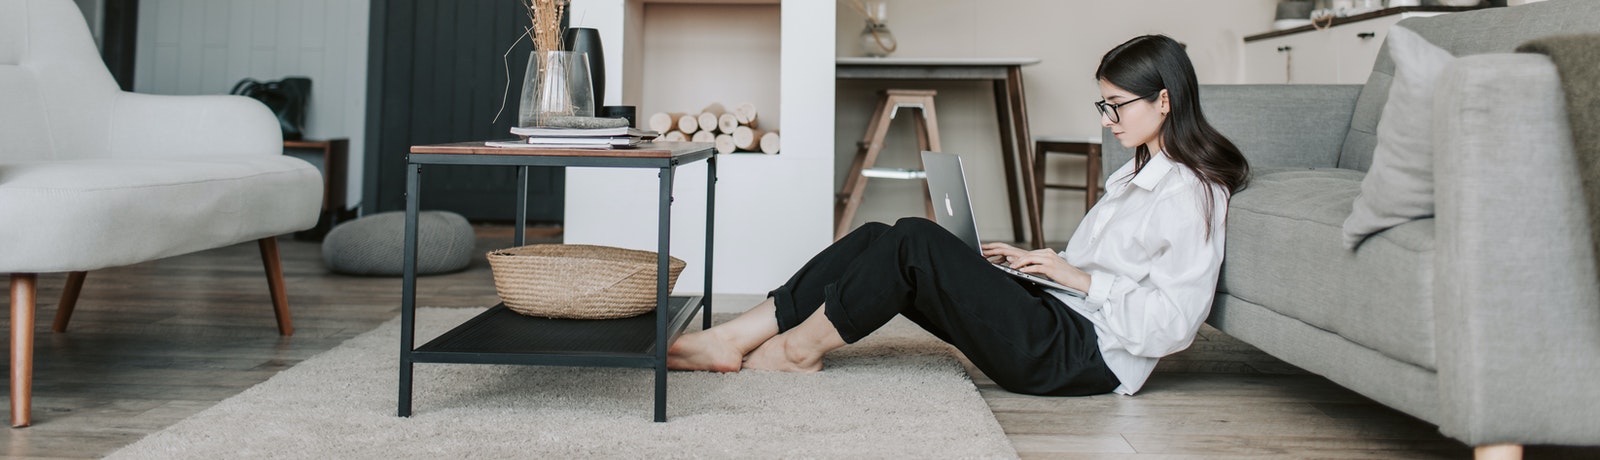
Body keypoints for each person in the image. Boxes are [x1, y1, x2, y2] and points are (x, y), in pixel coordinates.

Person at [668, 34, 1250, 396]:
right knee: (879, 235)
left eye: (1116, 105)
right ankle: (737, 334)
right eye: (1104, 104)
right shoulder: (1136, 174)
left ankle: (798, 352)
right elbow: (1105, 271)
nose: (1106, 120)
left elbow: (1174, 326)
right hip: (1060, 317)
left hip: (1082, 358)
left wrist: (1076, 277)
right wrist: (1042, 264)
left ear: (1164, 101)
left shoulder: (1192, 195)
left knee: (915, 242)